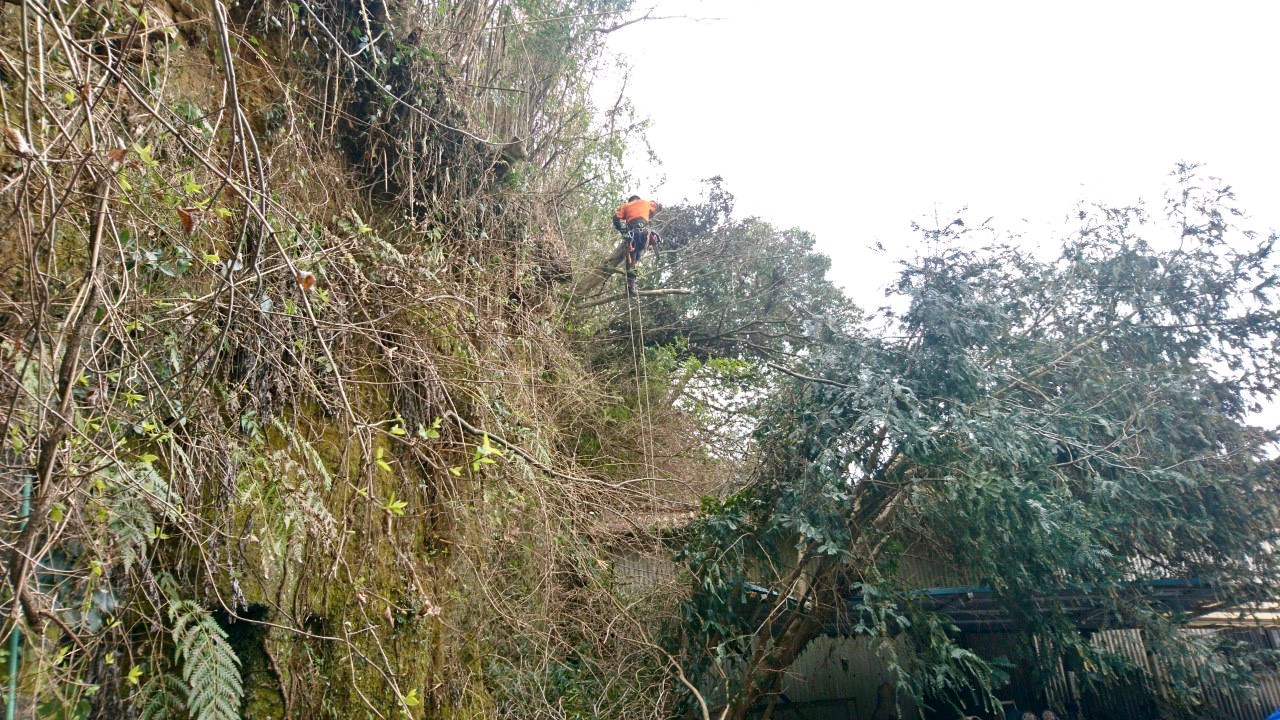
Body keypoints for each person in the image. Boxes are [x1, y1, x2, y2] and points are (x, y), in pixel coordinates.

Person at [613, 195, 661, 296]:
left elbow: (616, 218)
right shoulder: (646, 202)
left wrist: (621, 229)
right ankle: (632, 284)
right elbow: (657, 205)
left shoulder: (626, 206)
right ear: (638, 199)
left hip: (632, 233)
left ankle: (630, 285)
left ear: (630, 200)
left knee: (630, 259)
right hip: (644, 234)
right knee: (637, 257)